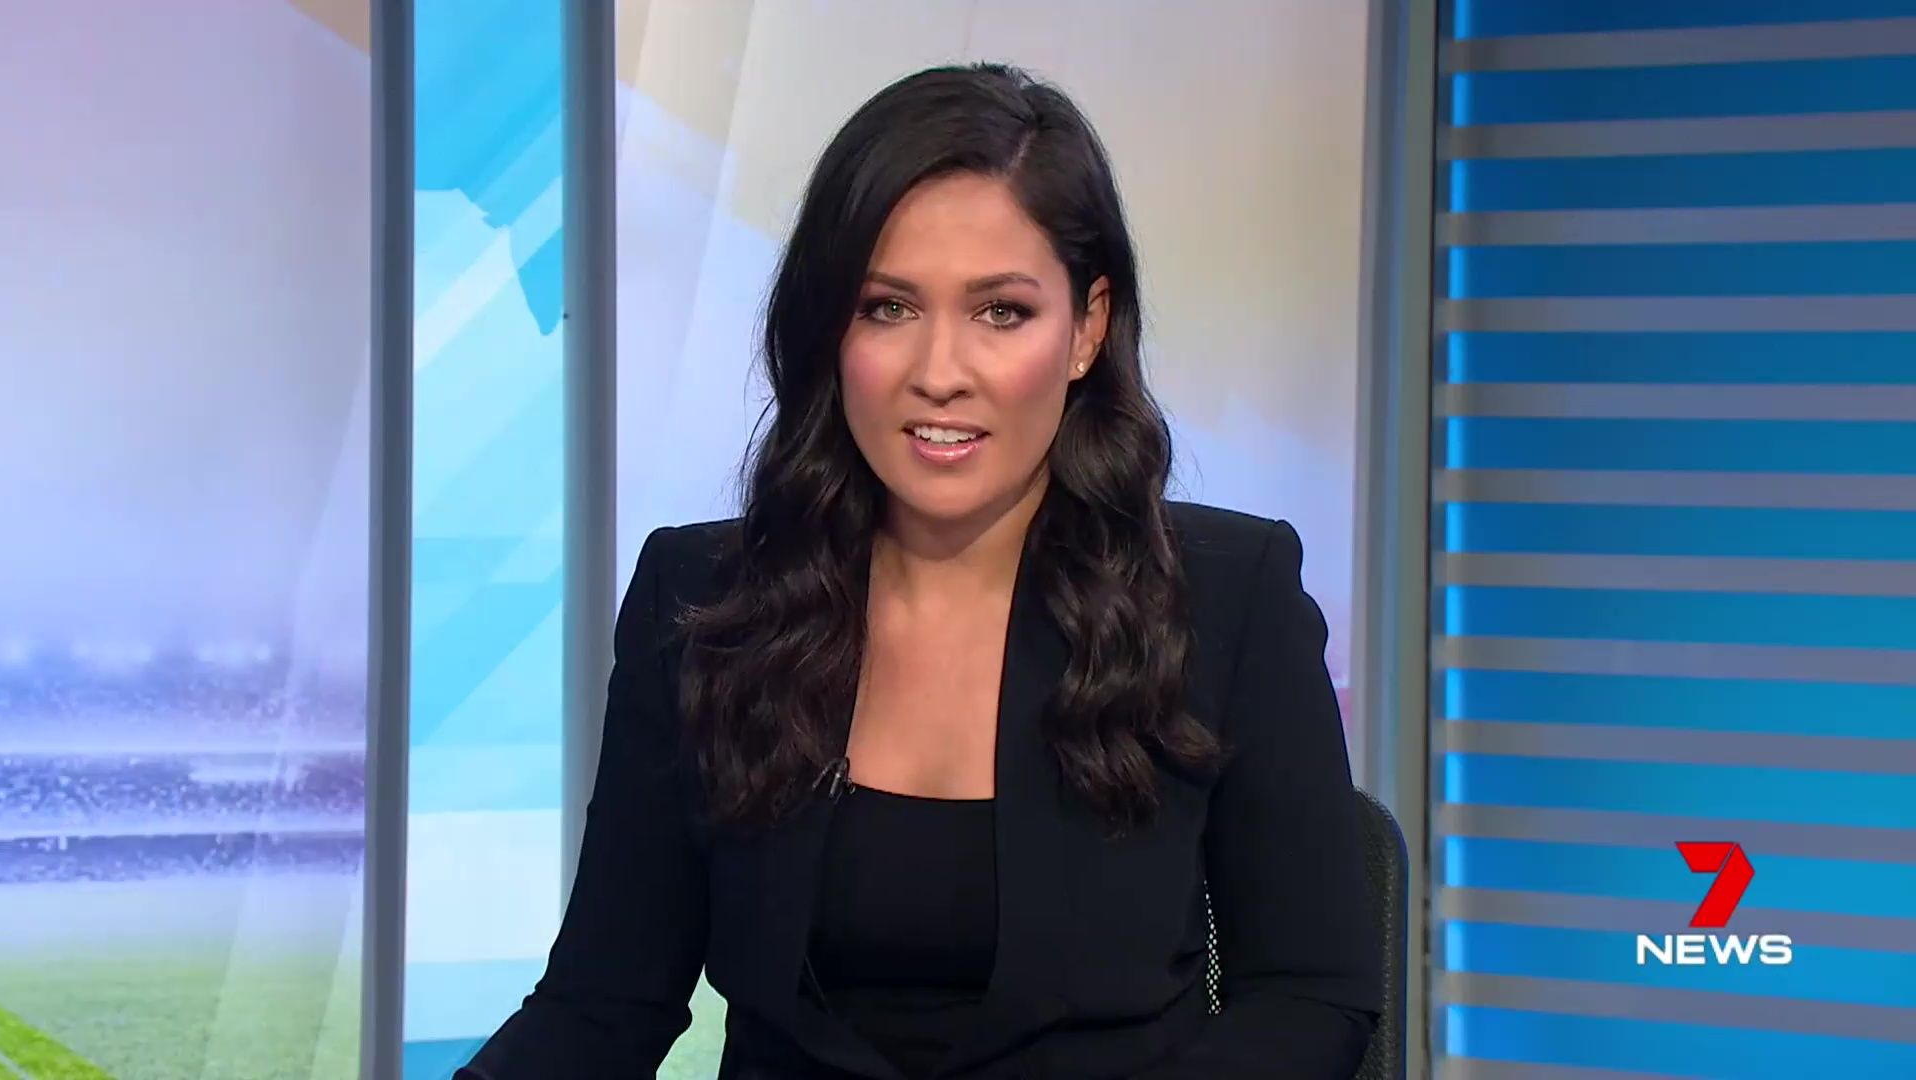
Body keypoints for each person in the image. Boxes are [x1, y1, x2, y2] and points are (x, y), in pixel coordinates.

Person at [461, 62, 1380, 1080]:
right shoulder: (706, 603)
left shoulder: (1226, 596)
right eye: (888, 308)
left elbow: (1309, 997)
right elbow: (604, 1004)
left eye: (1001, 313)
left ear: (1086, 327)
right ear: (830, 327)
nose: (940, 372)